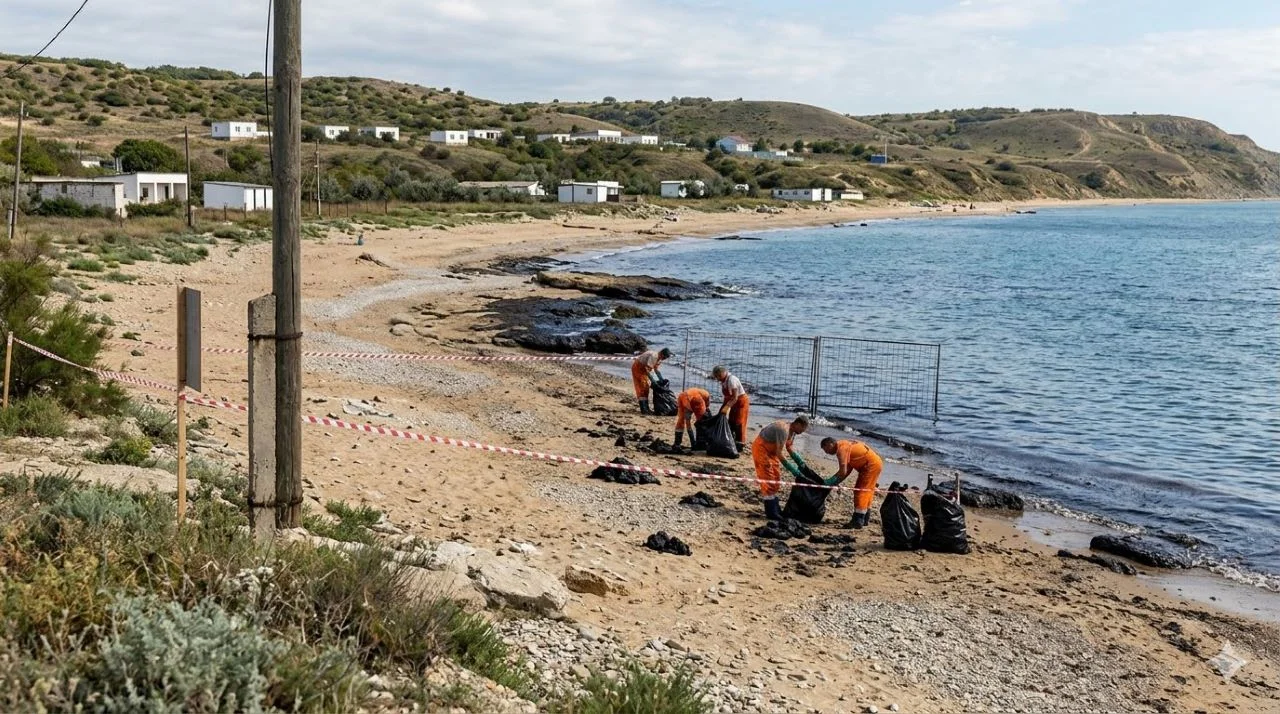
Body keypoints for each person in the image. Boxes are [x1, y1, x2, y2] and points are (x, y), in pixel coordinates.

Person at [751, 415, 809, 520]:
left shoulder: (792, 432)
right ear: (798, 424)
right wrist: (792, 469)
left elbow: (789, 447)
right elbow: (780, 453)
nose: (803, 431)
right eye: (803, 428)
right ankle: (771, 512)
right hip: (762, 449)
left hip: (771, 453)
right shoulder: (783, 430)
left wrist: (800, 462)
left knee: (776, 480)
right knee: (768, 480)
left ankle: (775, 506)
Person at [820, 437, 884, 529]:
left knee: (861, 491)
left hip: (870, 465)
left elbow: (842, 472)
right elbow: (847, 471)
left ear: (830, 444)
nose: (827, 453)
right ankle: (865, 518)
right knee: (868, 491)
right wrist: (835, 481)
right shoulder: (845, 445)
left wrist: (830, 482)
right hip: (875, 462)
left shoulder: (841, 450)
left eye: (826, 449)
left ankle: (858, 520)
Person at [711, 365, 749, 451]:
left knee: (739, 423)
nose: (718, 379)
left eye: (718, 376)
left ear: (722, 373)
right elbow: (727, 397)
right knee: (731, 421)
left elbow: (735, 397)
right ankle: (732, 440)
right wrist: (722, 409)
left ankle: (740, 444)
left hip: (741, 401)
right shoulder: (724, 381)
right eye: (716, 377)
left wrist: (727, 407)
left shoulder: (732, 380)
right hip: (733, 402)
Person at [631, 348, 671, 414]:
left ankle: (646, 409)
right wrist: (653, 381)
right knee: (643, 388)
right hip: (638, 368)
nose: (664, 359)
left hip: (644, 369)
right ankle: (644, 409)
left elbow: (656, 370)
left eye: (666, 358)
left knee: (646, 388)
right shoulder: (654, 356)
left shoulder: (659, 359)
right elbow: (647, 369)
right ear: (661, 353)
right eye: (664, 357)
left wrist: (661, 379)